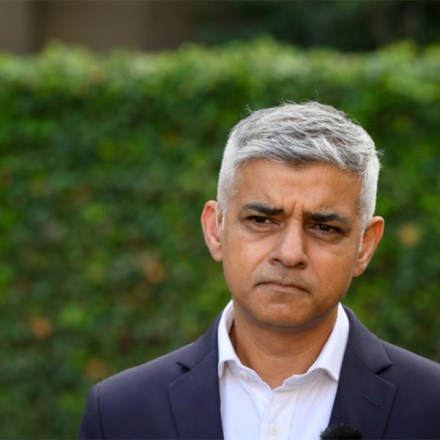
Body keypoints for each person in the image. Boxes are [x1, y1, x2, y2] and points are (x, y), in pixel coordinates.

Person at [79, 102, 440, 439]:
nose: (290, 254)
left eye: (324, 227)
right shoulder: (119, 413)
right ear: (215, 229)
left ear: (365, 245)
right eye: (262, 220)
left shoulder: (430, 405)